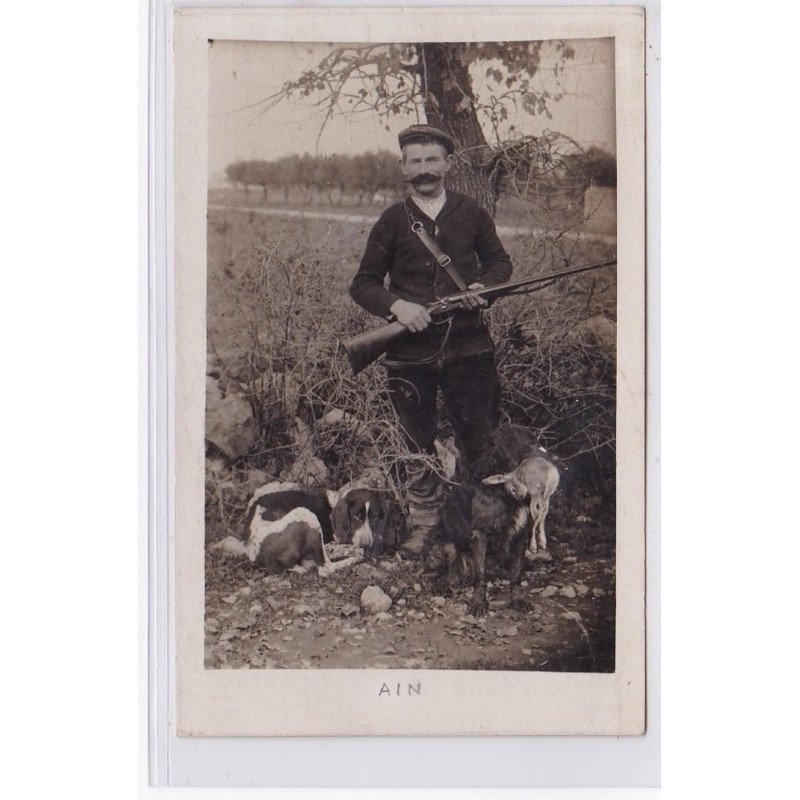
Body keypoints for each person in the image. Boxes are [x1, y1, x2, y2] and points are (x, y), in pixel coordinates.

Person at [349, 123, 513, 554]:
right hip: (410, 354)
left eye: (432, 160)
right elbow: (363, 283)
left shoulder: (472, 213)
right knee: (414, 441)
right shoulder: (392, 220)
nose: (424, 169)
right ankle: (425, 527)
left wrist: (484, 289)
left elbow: (499, 264)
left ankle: (481, 528)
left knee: (479, 440)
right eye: (415, 161)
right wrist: (398, 308)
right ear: (404, 167)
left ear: (448, 164)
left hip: (469, 347)